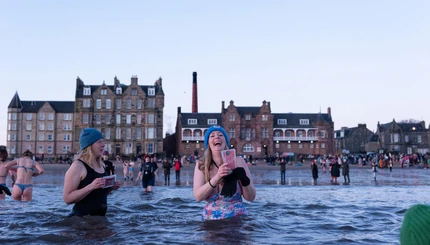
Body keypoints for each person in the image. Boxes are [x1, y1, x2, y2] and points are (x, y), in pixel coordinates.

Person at [193, 125, 256, 221]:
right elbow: (198, 197)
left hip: (237, 219)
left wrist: (244, 180)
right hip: (211, 222)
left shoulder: (238, 161)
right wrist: (217, 177)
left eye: (220, 135)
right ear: (208, 143)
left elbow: (251, 198)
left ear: (226, 141)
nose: (217, 137)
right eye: (212, 135)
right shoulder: (202, 164)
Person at [63, 128, 121, 216]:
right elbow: (67, 199)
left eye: (103, 142)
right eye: (99, 142)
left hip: (98, 219)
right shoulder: (78, 166)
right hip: (81, 221)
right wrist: (91, 186)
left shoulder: (101, 165)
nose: (103, 145)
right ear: (89, 145)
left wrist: (111, 188)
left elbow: (98, 195)